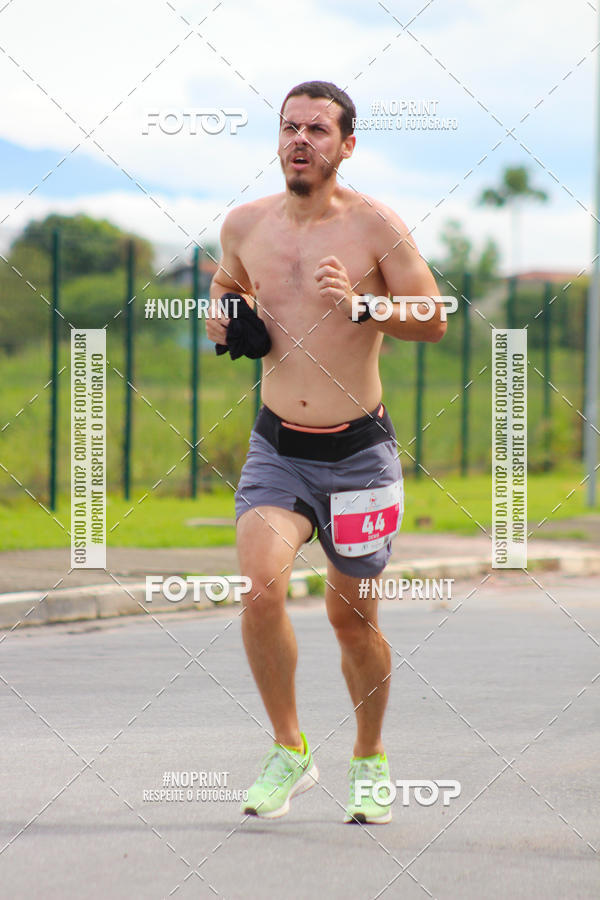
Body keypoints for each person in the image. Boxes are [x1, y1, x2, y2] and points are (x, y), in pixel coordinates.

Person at [206, 80, 446, 824]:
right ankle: (289, 749)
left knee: (353, 620)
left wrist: (361, 304)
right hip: (277, 447)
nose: (299, 139)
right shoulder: (244, 224)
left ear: (347, 144)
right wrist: (224, 318)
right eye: (289, 127)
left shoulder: (377, 227)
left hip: (359, 456)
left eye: (317, 128)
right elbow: (224, 287)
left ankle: (369, 758)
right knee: (261, 588)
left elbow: (433, 316)